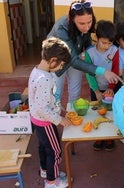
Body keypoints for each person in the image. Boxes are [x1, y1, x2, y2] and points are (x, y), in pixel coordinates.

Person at [47, 0, 121, 103]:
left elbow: (87, 44)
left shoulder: (87, 27)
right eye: (81, 23)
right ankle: (56, 117)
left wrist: (89, 55)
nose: (86, 27)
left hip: (76, 58)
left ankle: (72, 116)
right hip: (58, 61)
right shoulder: (61, 28)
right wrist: (103, 71)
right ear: (72, 20)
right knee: (56, 94)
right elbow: (72, 59)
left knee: (75, 93)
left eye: (89, 22)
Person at [28, 37, 72, 188]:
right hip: (46, 121)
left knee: (43, 147)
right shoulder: (44, 79)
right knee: (55, 151)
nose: (61, 68)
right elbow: (43, 108)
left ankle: (45, 171)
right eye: (61, 64)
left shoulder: (36, 71)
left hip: (37, 120)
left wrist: (59, 107)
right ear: (53, 60)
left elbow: (44, 99)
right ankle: (52, 182)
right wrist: (59, 119)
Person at [84, 20, 119, 151]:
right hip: (96, 88)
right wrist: (96, 91)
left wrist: (111, 88)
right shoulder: (90, 52)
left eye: (110, 43)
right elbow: (89, 73)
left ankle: (109, 138)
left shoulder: (115, 50)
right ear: (97, 38)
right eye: (104, 42)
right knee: (98, 112)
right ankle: (99, 137)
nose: (107, 46)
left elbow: (115, 70)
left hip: (110, 87)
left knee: (110, 113)